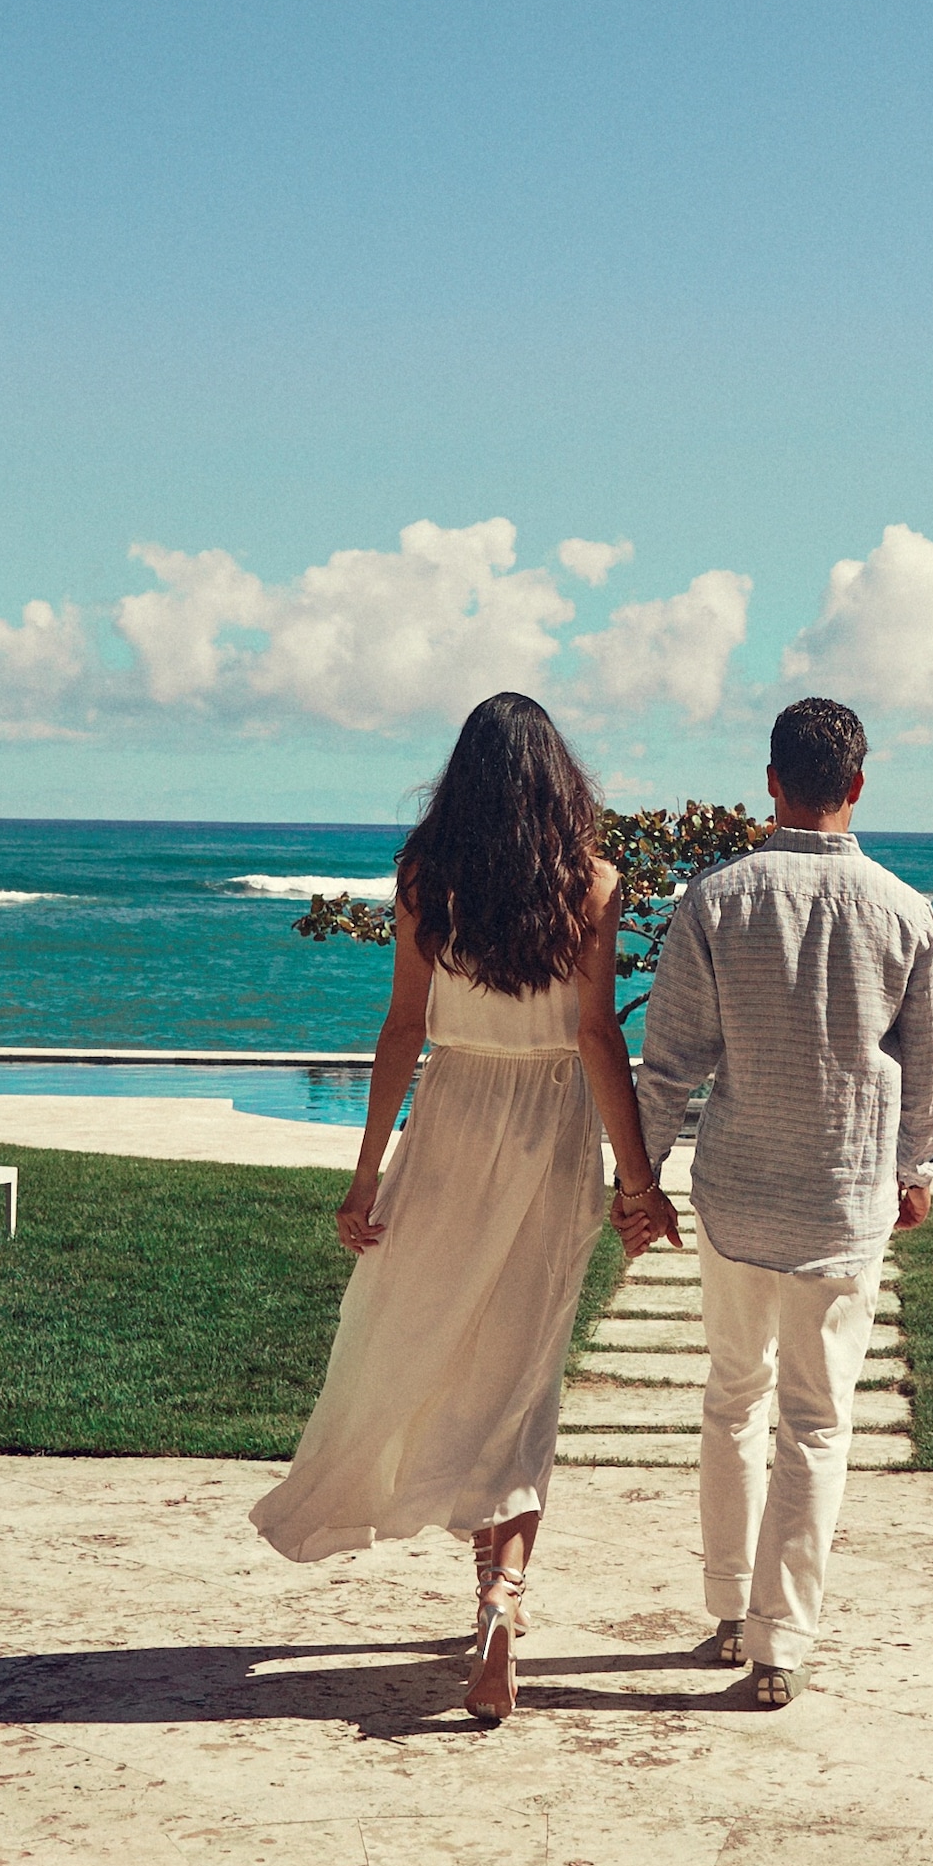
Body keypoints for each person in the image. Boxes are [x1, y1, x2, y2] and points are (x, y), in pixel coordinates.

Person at [249, 694, 674, 1726]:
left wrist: (365, 1174)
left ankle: (481, 1573)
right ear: (555, 780)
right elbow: (594, 1039)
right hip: (548, 1126)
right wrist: (636, 1176)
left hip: (449, 1117)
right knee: (522, 1369)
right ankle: (501, 1594)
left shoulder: (424, 879)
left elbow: (400, 1030)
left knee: (436, 1344)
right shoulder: (592, 884)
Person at [629, 695, 933, 1709]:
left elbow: (669, 1064)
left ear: (769, 781)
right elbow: (932, 1061)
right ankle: (779, 1644)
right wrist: (915, 1170)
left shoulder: (714, 900)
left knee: (731, 1398)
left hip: (734, 1193)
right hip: (841, 1199)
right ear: (856, 785)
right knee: (815, 1422)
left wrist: (638, 1182)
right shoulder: (903, 910)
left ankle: (727, 1606)